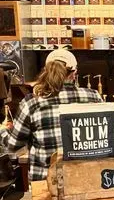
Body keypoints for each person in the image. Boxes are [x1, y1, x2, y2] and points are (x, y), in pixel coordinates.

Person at [0, 50, 101, 181]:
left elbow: (13, 145)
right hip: (86, 179)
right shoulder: (94, 97)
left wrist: (2, 131)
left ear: (46, 71)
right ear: (74, 73)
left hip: (47, 182)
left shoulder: (32, 103)